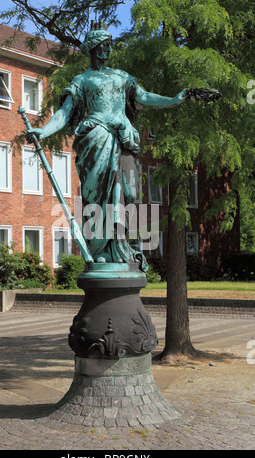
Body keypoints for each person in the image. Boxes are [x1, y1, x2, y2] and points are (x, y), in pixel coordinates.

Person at [26, 20, 188, 271]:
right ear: (92, 49)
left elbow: (144, 97)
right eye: (103, 45)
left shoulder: (121, 77)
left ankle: (121, 245)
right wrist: (44, 131)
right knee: (97, 199)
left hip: (123, 139)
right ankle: (102, 251)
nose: (107, 50)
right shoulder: (82, 81)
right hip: (95, 139)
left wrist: (174, 99)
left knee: (131, 194)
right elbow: (64, 113)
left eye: (109, 45)